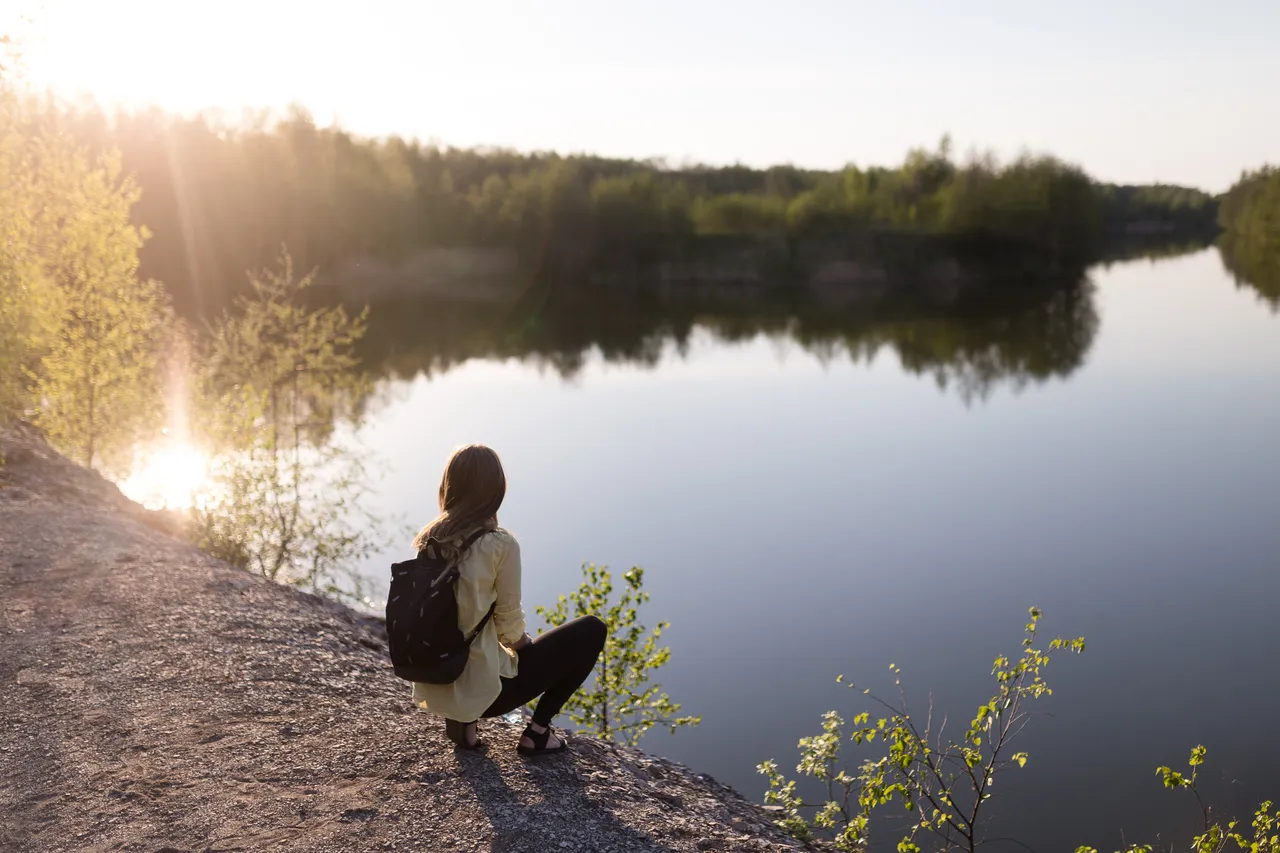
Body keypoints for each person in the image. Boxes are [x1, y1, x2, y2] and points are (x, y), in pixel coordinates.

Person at [410, 444, 606, 755]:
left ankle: (464, 721)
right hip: (488, 692)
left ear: (449, 485)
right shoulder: (500, 544)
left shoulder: (428, 540)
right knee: (592, 629)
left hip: (436, 678)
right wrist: (530, 649)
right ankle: (538, 733)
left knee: (466, 630)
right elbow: (509, 628)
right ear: (495, 490)